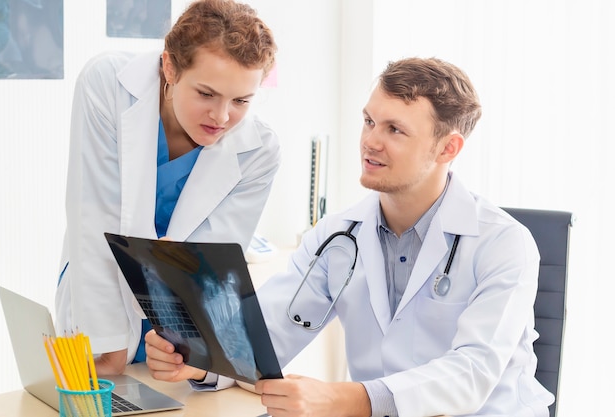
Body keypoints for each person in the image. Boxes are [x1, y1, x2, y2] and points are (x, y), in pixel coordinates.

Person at [144, 57, 555, 416]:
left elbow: (473, 372)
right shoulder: (339, 237)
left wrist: (345, 401)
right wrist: (204, 361)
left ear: (448, 149)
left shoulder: (504, 243)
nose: (370, 141)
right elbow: (267, 331)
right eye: (369, 121)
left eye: (395, 130)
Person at [55, 0, 279, 376]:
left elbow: (211, 265)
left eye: (241, 100)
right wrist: (106, 344)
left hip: (176, 322)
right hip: (100, 301)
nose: (222, 117)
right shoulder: (108, 84)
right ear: (170, 67)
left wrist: (190, 353)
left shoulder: (259, 150)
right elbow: (93, 217)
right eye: (206, 94)